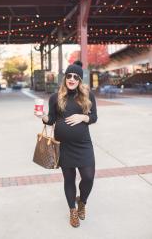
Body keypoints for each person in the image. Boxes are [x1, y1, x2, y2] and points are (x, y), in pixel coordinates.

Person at [35, 64, 97, 228]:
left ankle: (82, 202)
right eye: (69, 76)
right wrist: (42, 116)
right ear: (65, 78)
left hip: (83, 144)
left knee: (89, 177)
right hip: (63, 146)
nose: (71, 79)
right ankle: (73, 211)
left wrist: (82, 117)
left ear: (79, 79)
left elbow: (94, 117)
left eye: (75, 77)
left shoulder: (88, 95)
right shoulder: (56, 97)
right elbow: (52, 119)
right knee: (69, 179)